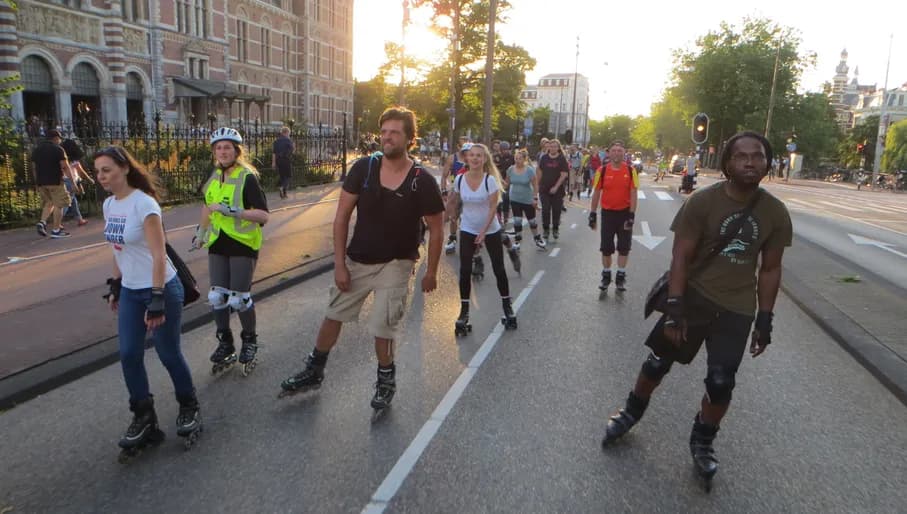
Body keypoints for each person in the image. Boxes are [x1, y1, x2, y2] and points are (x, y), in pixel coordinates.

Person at [599, 131, 792, 490]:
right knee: (657, 362)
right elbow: (681, 257)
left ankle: (703, 441)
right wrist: (674, 307)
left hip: (737, 308)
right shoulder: (703, 203)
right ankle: (631, 412)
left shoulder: (774, 213)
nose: (751, 162)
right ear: (728, 164)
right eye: (742, 156)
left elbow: (770, 268)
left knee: (721, 383)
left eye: (759, 156)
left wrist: (765, 319)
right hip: (694, 297)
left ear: (768, 163)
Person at [279, 107, 445, 410]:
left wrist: (431, 271)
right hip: (359, 259)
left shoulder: (421, 180)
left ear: (409, 138)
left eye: (394, 132)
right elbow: (341, 217)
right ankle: (314, 370)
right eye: (384, 131)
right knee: (333, 313)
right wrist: (340, 264)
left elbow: (436, 228)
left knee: (384, 325)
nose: (387, 137)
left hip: (397, 262)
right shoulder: (364, 169)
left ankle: (385, 380)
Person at [96, 145, 202, 456]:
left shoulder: (145, 205)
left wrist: (156, 299)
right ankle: (144, 417)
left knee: (168, 353)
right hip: (131, 290)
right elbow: (117, 248)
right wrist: (116, 284)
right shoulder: (109, 206)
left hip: (161, 289)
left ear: (124, 168)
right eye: (98, 170)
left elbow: (159, 255)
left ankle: (189, 405)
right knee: (129, 354)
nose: (101, 176)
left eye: (107, 169)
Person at [193, 127, 270, 376]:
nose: (223, 151)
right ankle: (225, 342)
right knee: (217, 296)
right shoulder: (214, 173)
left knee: (239, 298)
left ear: (237, 151)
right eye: (218, 147)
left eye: (227, 147)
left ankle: (250, 340)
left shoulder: (247, 177)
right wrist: (201, 233)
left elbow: (263, 216)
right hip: (218, 241)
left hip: (243, 243)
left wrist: (233, 211)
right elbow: (207, 205)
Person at [448, 143, 518, 336]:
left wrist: (484, 232)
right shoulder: (460, 179)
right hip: (468, 227)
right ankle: (464, 311)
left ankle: (507, 306)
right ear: (467, 159)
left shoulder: (490, 181)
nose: (475, 158)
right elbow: (453, 200)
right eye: (472, 155)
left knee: (498, 268)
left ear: (484, 159)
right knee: (464, 269)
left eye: (479, 155)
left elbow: (493, 208)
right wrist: (450, 215)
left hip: (490, 229)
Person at [589, 141, 639, 292]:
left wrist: (632, 215)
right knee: (606, 247)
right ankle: (606, 276)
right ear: (609, 153)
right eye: (614, 151)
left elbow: (633, 193)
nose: (617, 153)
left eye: (620, 150)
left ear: (624, 153)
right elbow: (596, 192)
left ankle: (620, 277)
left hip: (624, 213)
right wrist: (592, 213)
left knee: (624, 247)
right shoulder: (601, 171)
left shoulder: (631, 171)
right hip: (608, 214)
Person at [32, 129, 74, 238]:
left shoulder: (37, 150)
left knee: (49, 202)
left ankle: (42, 222)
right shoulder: (58, 149)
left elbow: (34, 168)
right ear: (56, 138)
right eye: (59, 139)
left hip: (42, 182)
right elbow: (65, 167)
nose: (60, 141)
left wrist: (37, 182)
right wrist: (73, 182)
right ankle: (56, 230)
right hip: (55, 181)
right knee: (59, 205)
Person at [504, 149, 546, 251]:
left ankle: (537, 238)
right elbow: (506, 183)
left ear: (524, 159)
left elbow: (535, 185)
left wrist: (535, 198)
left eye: (519, 158)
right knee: (517, 220)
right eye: (516, 158)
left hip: (527, 198)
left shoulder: (529, 170)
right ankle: (517, 241)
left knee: (532, 221)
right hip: (514, 198)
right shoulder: (510, 169)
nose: (517, 160)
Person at [441, 138, 471, 254]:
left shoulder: (475, 161)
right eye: (466, 153)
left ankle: (471, 240)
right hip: (456, 190)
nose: (469, 155)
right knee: (453, 217)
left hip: (471, 192)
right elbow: (444, 176)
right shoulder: (452, 159)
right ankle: (452, 239)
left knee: (468, 218)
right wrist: (444, 191)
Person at [537, 139, 569, 242]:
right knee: (545, 210)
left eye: (555, 146)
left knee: (556, 211)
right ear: (548, 147)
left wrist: (556, 187)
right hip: (544, 189)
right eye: (551, 146)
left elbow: (564, 174)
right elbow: (540, 172)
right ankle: (546, 229)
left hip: (557, 191)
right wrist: (537, 185)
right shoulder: (544, 158)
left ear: (558, 148)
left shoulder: (561, 159)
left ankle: (555, 229)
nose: (552, 148)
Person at [60, 136, 94, 227]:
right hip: (71, 181)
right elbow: (80, 171)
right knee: (67, 202)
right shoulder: (74, 160)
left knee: (73, 200)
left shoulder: (62, 158)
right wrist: (89, 179)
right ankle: (58, 221)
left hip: (63, 180)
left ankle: (79, 219)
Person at [272, 126, 295, 199]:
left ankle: (284, 194)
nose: (289, 135)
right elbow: (292, 151)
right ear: (286, 133)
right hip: (286, 160)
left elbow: (274, 153)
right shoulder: (288, 141)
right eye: (289, 133)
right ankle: (281, 187)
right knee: (288, 176)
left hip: (278, 161)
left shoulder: (276, 141)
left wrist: (273, 163)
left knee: (282, 176)